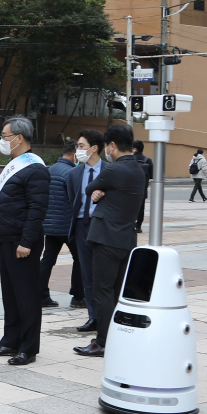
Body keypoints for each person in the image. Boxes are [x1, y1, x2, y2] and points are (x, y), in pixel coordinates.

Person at [74, 124, 147, 357]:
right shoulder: (139, 169)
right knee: (116, 293)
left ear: (113, 146)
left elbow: (91, 188)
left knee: (102, 292)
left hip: (106, 238)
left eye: (107, 147)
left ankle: (102, 342)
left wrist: (100, 191)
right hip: (126, 239)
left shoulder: (114, 170)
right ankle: (116, 338)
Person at [0, 117, 49, 366]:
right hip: (8, 238)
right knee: (10, 294)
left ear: (19, 138)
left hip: (23, 242)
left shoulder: (35, 168)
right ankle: (10, 340)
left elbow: (37, 209)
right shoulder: (14, 165)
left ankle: (28, 347)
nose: (2, 140)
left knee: (27, 295)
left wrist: (27, 241)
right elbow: (7, 205)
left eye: (5, 135)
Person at [39, 142, 84, 310]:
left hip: (50, 225)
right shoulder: (72, 173)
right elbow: (76, 200)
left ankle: (41, 294)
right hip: (68, 226)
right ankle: (78, 296)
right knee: (80, 259)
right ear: (74, 155)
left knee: (48, 260)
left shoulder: (50, 170)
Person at [67, 130, 103, 335]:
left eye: (81, 146)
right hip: (81, 225)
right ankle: (93, 316)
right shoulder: (74, 173)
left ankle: (105, 313)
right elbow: (73, 199)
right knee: (87, 273)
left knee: (102, 272)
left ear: (94, 148)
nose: (78, 150)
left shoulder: (109, 170)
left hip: (101, 226)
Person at [133, 140, 153, 233]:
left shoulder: (130, 159)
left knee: (130, 207)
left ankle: (131, 224)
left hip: (130, 188)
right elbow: (152, 175)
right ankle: (138, 226)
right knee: (141, 208)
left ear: (135, 149)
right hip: (142, 189)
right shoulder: (148, 160)